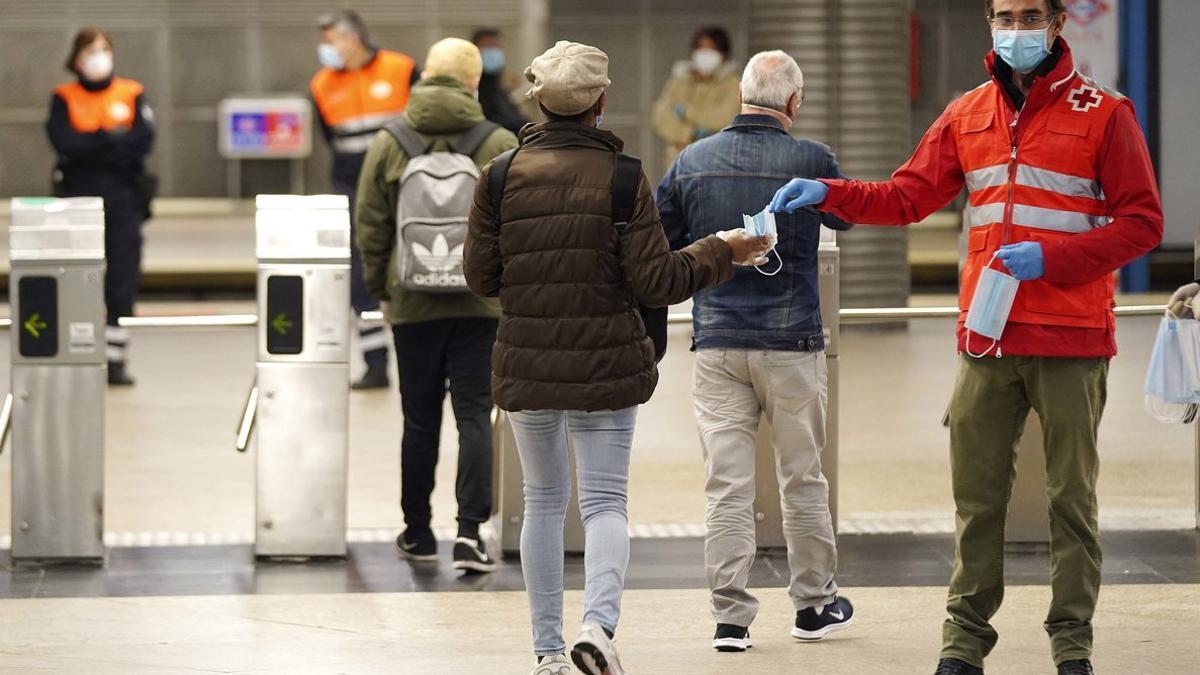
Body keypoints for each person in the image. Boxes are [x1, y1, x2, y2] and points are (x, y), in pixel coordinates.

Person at [769, 2, 1163, 674]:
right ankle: (963, 644)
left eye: (1030, 14)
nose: (1016, 28)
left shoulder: (1106, 112)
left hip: (1070, 335)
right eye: (1004, 16)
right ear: (989, 23)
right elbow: (905, 196)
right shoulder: (968, 112)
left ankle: (1072, 647)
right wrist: (830, 191)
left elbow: (1143, 223)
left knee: (1072, 500)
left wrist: (1056, 259)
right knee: (976, 499)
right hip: (988, 336)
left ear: (1059, 21)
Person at [464, 40, 772, 675]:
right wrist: (723, 249)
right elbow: (657, 281)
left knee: (544, 501)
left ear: (539, 103)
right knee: (604, 502)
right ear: (601, 104)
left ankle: (547, 652)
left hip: (528, 362)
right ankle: (598, 629)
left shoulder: (498, 174)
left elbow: (481, 275)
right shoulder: (625, 177)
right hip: (607, 364)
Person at [656, 49, 855, 655]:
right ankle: (815, 606)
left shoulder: (692, 159)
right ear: (793, 103)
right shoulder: (811, 158)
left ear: (741, 94)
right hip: (792, 344)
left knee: (727, 486)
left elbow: (663, 240)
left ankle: (731, 620)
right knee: (803, 478)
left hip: (716, 341)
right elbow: (847, 215)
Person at [356, 37, 518, 574]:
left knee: (418, 419)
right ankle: (470, 533)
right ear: (473, 82)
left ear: (424, 77)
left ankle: (418, 531)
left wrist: (383, 289)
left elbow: (373, 225)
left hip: (413, 300)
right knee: (475, 414)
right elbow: (514, 225)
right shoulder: (497, 141)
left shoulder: (390, 140)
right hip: (479, 304)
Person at [311, 10, 420, 389]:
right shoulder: (322, 85)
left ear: (351, 39)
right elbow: (332, 140)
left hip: (403, 186)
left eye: (329, 40)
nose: (325, 49)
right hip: (353, 190)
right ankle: (375, 362)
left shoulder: (402, 70)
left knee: (411, 265)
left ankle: (421, 361)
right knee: (360, 273)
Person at [46, 27, 155, 386]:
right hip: (78, 198)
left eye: (104, 49)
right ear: (76, 59)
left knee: (122, 280)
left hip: (124, 198)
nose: (99, 56)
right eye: (91, 50)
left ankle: (116, 359)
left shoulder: (132, 93)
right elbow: (65, 142)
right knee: (78, 278)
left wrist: (92, 146)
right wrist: (109, 137)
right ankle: (78, 353)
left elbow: (142, 140)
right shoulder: (64, 98)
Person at [652, 27, 742, 169]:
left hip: (715, 163)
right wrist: (690, 134)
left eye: (711, 48)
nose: (705, 53)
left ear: (723, 54)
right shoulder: (680, 80)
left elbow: (725, 117)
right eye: (700, 47)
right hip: (677, 164)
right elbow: (660, 117)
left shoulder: (733, 83)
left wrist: (686, 113)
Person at [472, 28, 530, 133]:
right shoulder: (473, 85)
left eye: (496, 46)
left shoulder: (497, 83)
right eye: (488, 47)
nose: (493, 52)